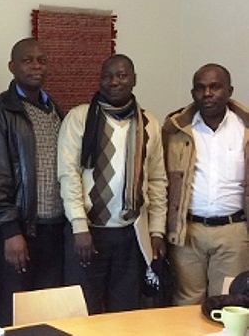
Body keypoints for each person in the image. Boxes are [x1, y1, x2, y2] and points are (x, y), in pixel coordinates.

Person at [57, 54, 167, 314]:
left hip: (131, 235)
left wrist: (157, 231)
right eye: (107, 76)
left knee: (125, 312)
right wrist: (79, 226)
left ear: (134, 80)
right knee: (83, 311)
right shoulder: (79, 117)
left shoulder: (149, 123)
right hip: (87, 234)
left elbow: (157, 180)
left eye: (121, 75)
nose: (114, 81)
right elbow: (68, 173)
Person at [0, 38, 65, 326]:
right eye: (27, 60)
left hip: (55, 230)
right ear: (12, 67)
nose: (36, 66)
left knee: (49, 314)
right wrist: (9, 231)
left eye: (41, 60)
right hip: (20, 232)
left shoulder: (57, 111)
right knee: (14, 313)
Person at [163, 63, 249, 304]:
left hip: (233, 231)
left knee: (229, 303)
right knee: (186, 303)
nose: (207, 93)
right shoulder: (175, 130)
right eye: (200, 88)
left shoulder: (244, 129)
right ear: (193, 94)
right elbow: (160, 182)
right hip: (187, 232)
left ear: (230, 91)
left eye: (215, 87)